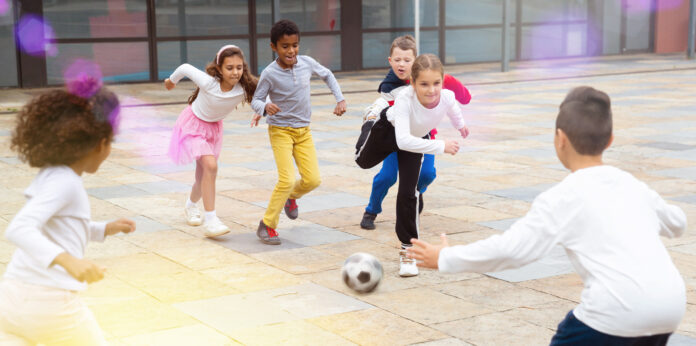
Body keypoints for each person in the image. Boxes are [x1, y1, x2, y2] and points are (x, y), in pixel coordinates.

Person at [408, 86, 687, 345]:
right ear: (610, 140)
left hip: (616, 311)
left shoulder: (564, 197)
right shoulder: (631, 185)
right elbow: (677, 223)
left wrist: (445, 257)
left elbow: (512, 251)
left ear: (560, 139)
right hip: (669, 306)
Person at [0, 77, 136, 345]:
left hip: (11, 298)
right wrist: (69, 261)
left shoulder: (52, 174)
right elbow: (20, 228)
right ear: (100, 143)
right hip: (50, 303)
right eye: (111, 141)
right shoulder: (66, 183)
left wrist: (103, 229)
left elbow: (61, 227)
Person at [355, 54, 470, 277]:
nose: (431, 90)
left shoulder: (446, 96)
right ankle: (369, 120)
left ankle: (408, 252)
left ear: (442, 81)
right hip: (388, 132)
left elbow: (454, 109)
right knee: (362, 161)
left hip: (415, 140)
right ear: (413, 83)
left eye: (436, 83)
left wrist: (461, 126)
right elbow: (402, 140)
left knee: (408, 193)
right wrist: (441, 145)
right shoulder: (404, 99)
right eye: (424, 84)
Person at [250, 19, 347, 245]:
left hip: (304, 132)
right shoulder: (269, 73)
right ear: (274, 47)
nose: (291, 51)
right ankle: (267, 224)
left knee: (313, 180)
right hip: (280, 131)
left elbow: (328, 75)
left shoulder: (307, 63)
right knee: (286, 179)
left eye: (295, 45)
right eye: (285, 46)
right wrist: (264, 107)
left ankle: (291, 197)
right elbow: (256, 99)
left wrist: (340, 98)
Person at [359, 36, 471, 229]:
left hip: (423, 135)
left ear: (416, 61)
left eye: (407, 60)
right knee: (387, 177)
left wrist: (461, 108)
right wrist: (371, 115)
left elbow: (454, 95)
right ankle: (372, 209)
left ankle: (416, 192)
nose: (401, 64)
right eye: (397, 60)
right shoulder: (389, 87)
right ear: (390, 61)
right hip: (397, 138)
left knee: (427, 174)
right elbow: (386, 113)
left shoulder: (432, 78)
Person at [165, 45, 258, 237]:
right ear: (219, 69)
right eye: (229, 68)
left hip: (213, 130)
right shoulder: (209, 83)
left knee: (202, 178)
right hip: (192, 126)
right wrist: (171, 81)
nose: (235, 72)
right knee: (211, 166)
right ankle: (211, 220)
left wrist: (261, 110)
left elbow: (264, 94)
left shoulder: (243, 87)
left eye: (239, 67)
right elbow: (184, 67)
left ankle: (191, 205)